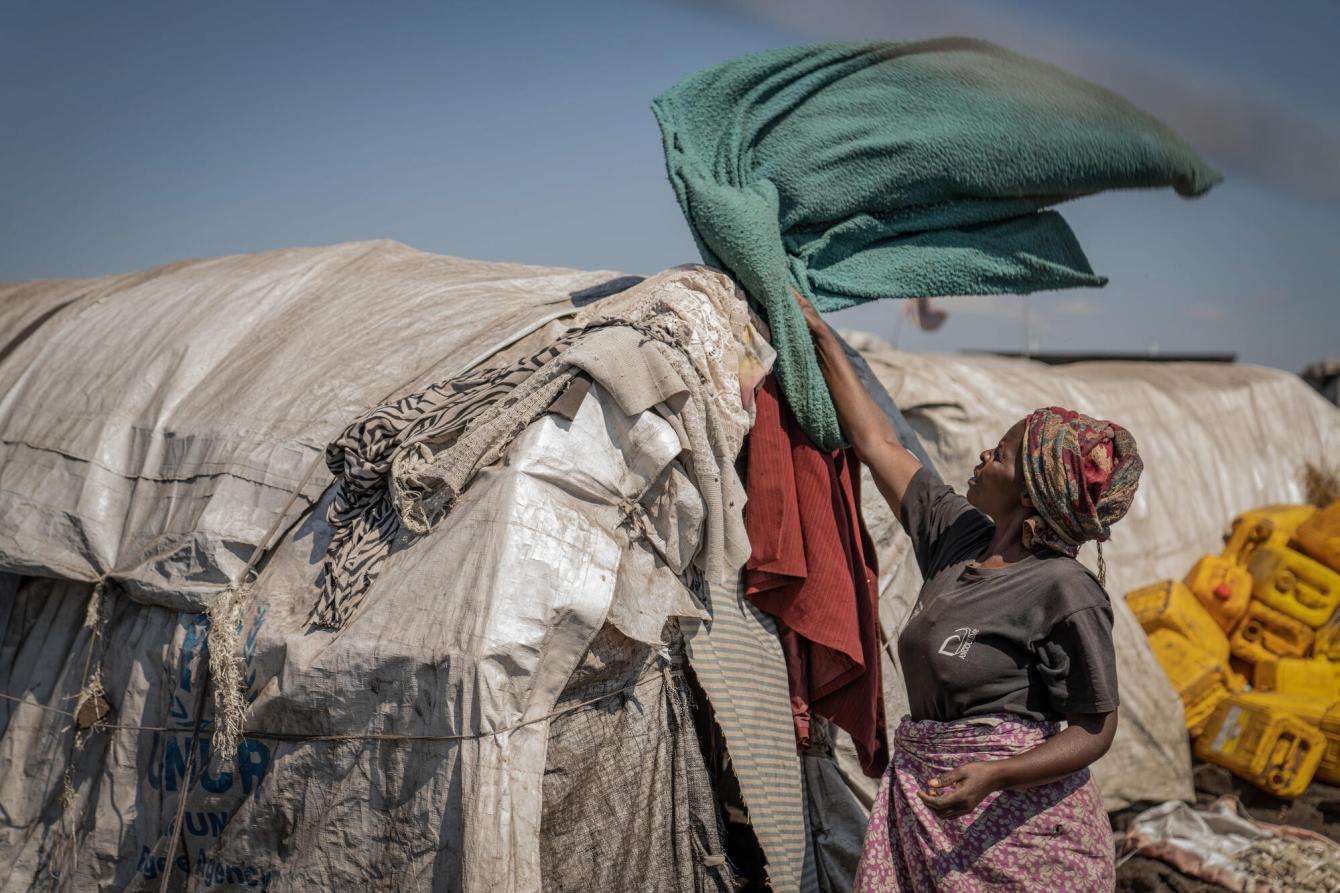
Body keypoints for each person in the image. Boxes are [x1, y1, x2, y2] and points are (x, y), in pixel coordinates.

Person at [792, 293, 1140, 891]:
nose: (983, 456)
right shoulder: (959, 538)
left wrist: (999, 775)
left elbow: (1093, 728)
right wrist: (821, 336)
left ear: (1030, 493)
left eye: (1000, 455)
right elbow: (878, 444)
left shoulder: (1063, 589)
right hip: (934, 798)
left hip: (1023, 830)